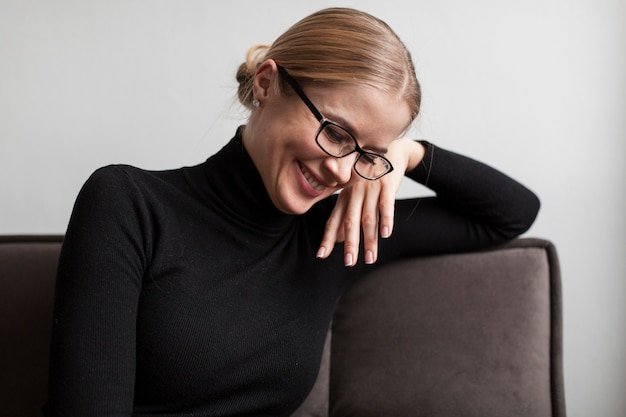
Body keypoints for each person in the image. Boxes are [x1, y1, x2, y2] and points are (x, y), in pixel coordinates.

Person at [46, 7, 540, 417]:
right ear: (266, 83)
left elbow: (509, 213)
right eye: (338, 132)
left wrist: (409, 155)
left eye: (367, 155)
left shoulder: (336, 235)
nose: (344, 172)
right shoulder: (129, 203)